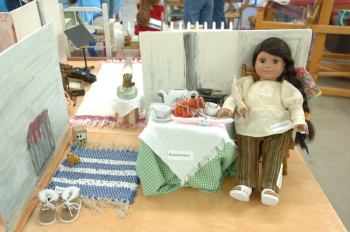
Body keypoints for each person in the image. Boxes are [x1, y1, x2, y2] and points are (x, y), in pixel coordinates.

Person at [216, 37, 315, 206]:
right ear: (255, 62)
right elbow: (235, 98)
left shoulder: (285, 87)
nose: (267, 65)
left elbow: (295, 106)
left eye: (274, 61)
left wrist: (299, 121)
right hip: (249, 126)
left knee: (274, 156)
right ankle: (244, 184)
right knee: (247, 155)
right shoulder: (247, 83)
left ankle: (270, 187)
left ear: (284, 66)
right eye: (262, 60)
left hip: (277, 129)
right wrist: (227, 108)